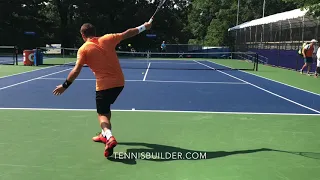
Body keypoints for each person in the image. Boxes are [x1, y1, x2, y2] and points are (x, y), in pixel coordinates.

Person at [52, 21, 152, 157]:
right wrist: (144, 27)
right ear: (94, 32)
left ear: (82, 35)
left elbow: (76, 71)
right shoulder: (108, 38)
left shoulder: (83, 49)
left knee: (102, 114)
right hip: (120, 83)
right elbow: (127, 33)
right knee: (106, 109)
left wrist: (64, 86)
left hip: (104, 86)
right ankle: (104, 135)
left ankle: (109, 136)